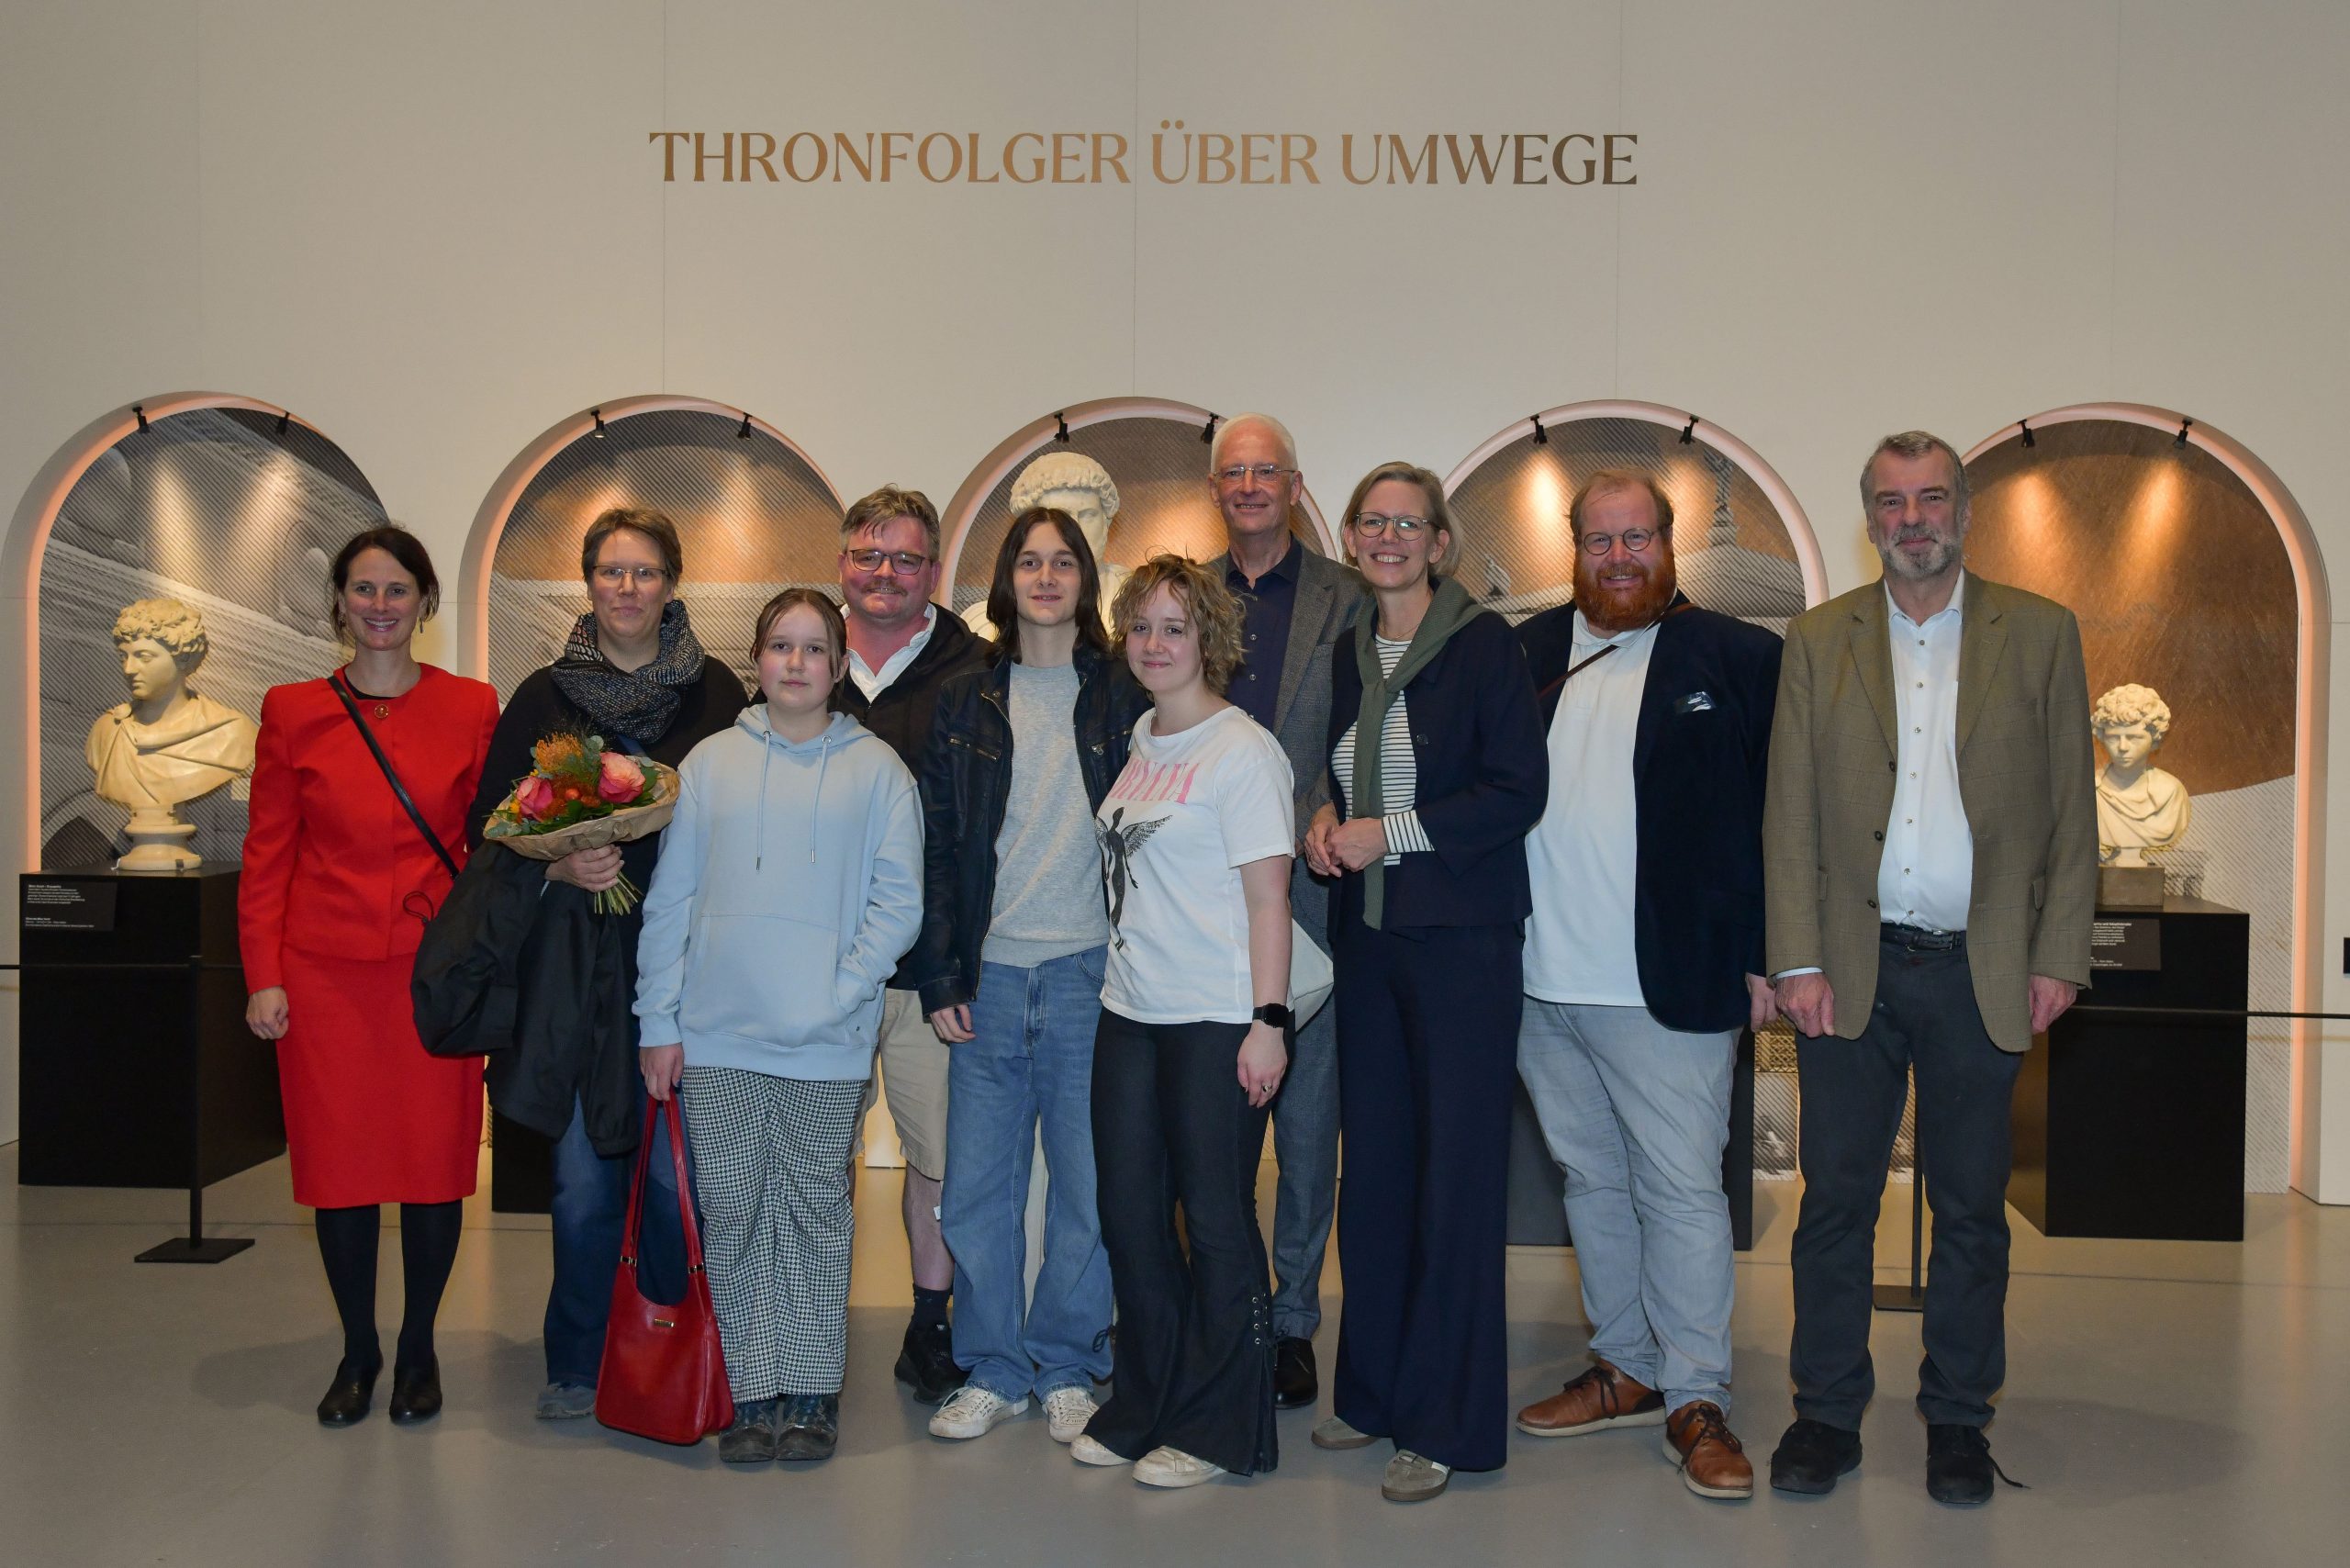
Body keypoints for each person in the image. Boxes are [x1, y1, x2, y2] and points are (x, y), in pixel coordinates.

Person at [1763, 430, 2095, 1506]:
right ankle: (1824, 1414)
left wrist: (2057, 954)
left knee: (1967, 1209)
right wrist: (1796, 957)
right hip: (1849, 972)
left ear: (1964, 511)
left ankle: (1957, 1417)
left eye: (1932, 499)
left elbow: (2068, 814)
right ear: (1868, 517)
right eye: (1892, 502)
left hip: (1979, 970)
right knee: (1834, 1206)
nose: (1913, 519)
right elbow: (1789, 814)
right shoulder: (1818, 640)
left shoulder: (2039, 634)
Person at [1509, 470, 1782, 1501]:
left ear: (1668, 544)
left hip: (1670, 980)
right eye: (1598, 540)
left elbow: (1778, 816)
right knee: (1591, 1179)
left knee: (1677, 1190)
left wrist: (1769, 952)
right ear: (1570, 548)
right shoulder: (1524, 653)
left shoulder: (1741, 657)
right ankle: (1625, 1361)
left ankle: (1696, 1394)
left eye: (1637, 538)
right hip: (1539, 981)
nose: (1618, 557)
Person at [463, 507, 748, 1421]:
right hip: (577, 971)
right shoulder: (543, 695)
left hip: (686, 967)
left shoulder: (716, 696)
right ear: (588, 583)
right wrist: (558, 857)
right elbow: (491, 828)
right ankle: (579, 1360)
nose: (627, 589)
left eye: (645, 572)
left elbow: (747, 821)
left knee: (675, 1179)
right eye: (610, 572)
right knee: (584, 1179)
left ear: (672, 584)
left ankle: (668, 1349)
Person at [632, 588, 923, 1464]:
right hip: (718, 1035)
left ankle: (812, 1392)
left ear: (839, 666)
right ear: (757, 660)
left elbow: (898, 907)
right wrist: (659, 1019)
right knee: (733, 1210)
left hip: (827, 1044)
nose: (796, 663)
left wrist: (840, 990)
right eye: (779, 646)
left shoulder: (879, 772)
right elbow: (671, 900)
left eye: (814, 649)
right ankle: (751, 1391)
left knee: (812, 1212)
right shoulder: (710, 766)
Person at [1302, 462, 1546, 1502]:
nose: (1389, 537)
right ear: (1353, 539)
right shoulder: (1353, 649)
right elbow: (1344, 767)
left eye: (1409, 522)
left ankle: (1444, 1421)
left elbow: (1515, 792)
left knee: (1453, 1187)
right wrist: (1323, 819)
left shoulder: (1486, 646)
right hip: (1370, 943)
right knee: (1383, 1176)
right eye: (1372, 522)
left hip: (1462, 950)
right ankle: (1372, 1390)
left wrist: (1382, 835)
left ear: (1440, 542)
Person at [239, 525, 500, 1428]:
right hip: (323, 978)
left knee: (432, 1168)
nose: (380, 607)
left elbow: (485, 847)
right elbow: (268, 855)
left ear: (425, 602)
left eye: (397, 590)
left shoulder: (472, 705)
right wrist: (262, 975)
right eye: (363, 590)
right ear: (339, 603)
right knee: (339, 1171)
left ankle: (420, 1345)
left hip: (431, 980)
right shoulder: (291, 709)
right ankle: (359, 1348)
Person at [909, 508, 1148, 1446]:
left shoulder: (1121, 694)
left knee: (1088, 1186)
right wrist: (940, 976)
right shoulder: (966, 699)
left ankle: (1067, 1362)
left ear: (1087, 580)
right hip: (992, 975)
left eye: (1063, 562)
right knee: (976, 1186)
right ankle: (993, 1366)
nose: (1045, 577)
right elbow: (937, 846)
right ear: (1005, 581)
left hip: (1093, 972)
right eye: (1029, 562)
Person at [1078, 554, 1296, 1488]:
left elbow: (1267, 901)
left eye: (1174, 626)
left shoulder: (1241, 750)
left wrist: (1268, 1020)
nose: (1155, 643)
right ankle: (1146, 1400)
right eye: (1141, 627)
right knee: (1129, 1218)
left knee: (1214, 1221)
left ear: (1209, 638)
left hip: (1216, 1017)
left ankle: (1219, 1426)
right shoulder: (1140, 739)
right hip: (1128, 1013)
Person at [1203, 412, 1357, 1410]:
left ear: (1295, 486)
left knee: (1306, 1128)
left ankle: (1294, 1320)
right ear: (1215, 489)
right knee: (1212, 1126)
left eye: (1268, 471)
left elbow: (1371, 726)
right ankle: (1231, 1310)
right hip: (1199, 895)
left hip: (1309, 891)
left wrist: (1339, 804)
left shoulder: (1346, 598)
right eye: (1234, 472)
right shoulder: (1179, 596)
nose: (1251, 485)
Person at [834, 485, 990, 1404]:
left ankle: (928, 1325)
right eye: (867, 554)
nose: (885, 573)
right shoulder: (803, 655)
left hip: (934, 971)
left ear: (933, 570)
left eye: (905, 558)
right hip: (829, 966)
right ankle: (811, 1321)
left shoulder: (974, 670)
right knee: (822, 1157)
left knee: (939, 1159)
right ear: (842, 561)